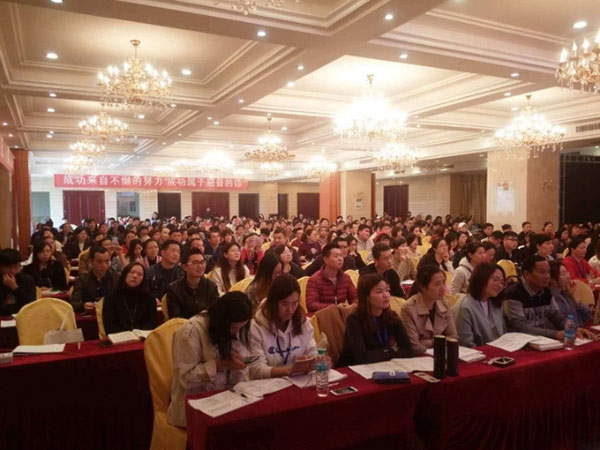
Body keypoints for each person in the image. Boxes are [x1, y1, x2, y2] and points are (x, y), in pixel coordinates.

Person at [167, 292, 252, 427]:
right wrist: (221, 364)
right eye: (232, 327)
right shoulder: (192, 331)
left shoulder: (238, 331)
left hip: (226, 400)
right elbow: (186, 379)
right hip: (193, 406)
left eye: (240, 328)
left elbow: (240, 375)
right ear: (222, 320)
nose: (236, 332)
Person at [503, 256, 596, 340]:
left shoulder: (546, 292)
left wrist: (574, 328)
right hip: (521, 343)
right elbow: (520, 327)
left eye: (548, 272)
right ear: (527, 274)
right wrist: (555, 334)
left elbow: (557, 317)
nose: (547, 276)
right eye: (542, 272)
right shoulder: (513, 294)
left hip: (544, 341)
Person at [249, 274, 317, 379]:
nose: (290, 310)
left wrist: (312, 361)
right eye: (284, 304)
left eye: (294, 303)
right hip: (268, 384)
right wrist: (289, 370)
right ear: (273, 303)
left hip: (297, 380)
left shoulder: (302, 322)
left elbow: (312, 351)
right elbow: (255, 370)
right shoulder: (256, 327)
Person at [338, 274, 413, 366]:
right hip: (353, 368)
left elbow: (408, 350)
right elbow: (362, 358)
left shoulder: (391, 316)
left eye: (387, 290)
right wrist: (390, 351)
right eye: (379, 292)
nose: (386, 295)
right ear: (366, 297)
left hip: (382, 365)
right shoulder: (354, 320)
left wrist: (384, 353)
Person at [400, 265, 458, 353]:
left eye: (443, 283)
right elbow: (414, 345)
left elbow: (453, 337)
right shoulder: (408, 308)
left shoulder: (444, 303)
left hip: (440, 353)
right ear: (423, 287)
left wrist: (428, 342)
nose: (443, 288)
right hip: (418, 357)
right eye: (437, 284)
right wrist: (438, 342)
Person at [453, 263, 507, 347]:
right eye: (495, 280)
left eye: (502, 282)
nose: (500, 285)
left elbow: (503, 333)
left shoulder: (494, 303)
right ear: (481, 278)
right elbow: (466, 344)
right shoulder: (464, 307)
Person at [102, 262, 157, 334]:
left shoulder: (150, 299)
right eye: (132, 272)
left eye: (140, 274)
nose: (135, 276)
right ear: (125, 274)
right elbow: (109, 326)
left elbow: (152, 325)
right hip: (119, 337)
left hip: (143, 337)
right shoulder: (111, 298)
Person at [166, 248, 219, 319]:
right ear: (184, 267)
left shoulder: (211, 286)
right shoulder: (174, 289)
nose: (200, 266)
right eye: (195, 263)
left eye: (202, 262)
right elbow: (175, 318)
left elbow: (216, 313)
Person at [306, 243, 357, 312]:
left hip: (342, 314)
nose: (340, 259)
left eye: (341, 256)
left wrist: (353, 305)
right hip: (323, 315)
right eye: (336, 256)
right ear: (326, 259)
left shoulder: (345, 278)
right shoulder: (314, 280)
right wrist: (334, 308)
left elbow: (355, 297)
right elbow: (311, 304)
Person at [71, 246, 117, 313]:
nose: (103, 265)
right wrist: (83, 306)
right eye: (99, 261)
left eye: (107, 261)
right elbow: (74, 303)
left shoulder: (116, 279)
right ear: (91, 262)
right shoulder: (82, 280)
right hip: (91, 314)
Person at [549, 260, 592, 327]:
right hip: (570, 331)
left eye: (567, 273)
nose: (568, 277)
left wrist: (572, 296)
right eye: (563, 274)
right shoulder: (551, 297)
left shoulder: (565, 293)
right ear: (552, 279)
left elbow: (588, 316)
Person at [0, 249, 36, 316]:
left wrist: (15, 288)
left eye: (16, 267)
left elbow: (31, 305)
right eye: (8, 267)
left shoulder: (27, 280)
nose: (12, 271)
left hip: (23, 316)